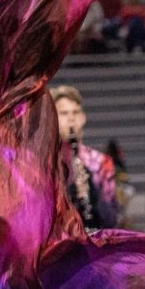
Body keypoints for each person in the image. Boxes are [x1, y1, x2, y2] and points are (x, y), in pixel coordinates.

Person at [51, 85, 118, 230]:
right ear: (50, 117)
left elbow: (111, 219)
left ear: (83, 118)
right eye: (63, 113)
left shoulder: (101, 162)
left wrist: (92, 194)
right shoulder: (40, 162)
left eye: (75, 112)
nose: (71, 118)